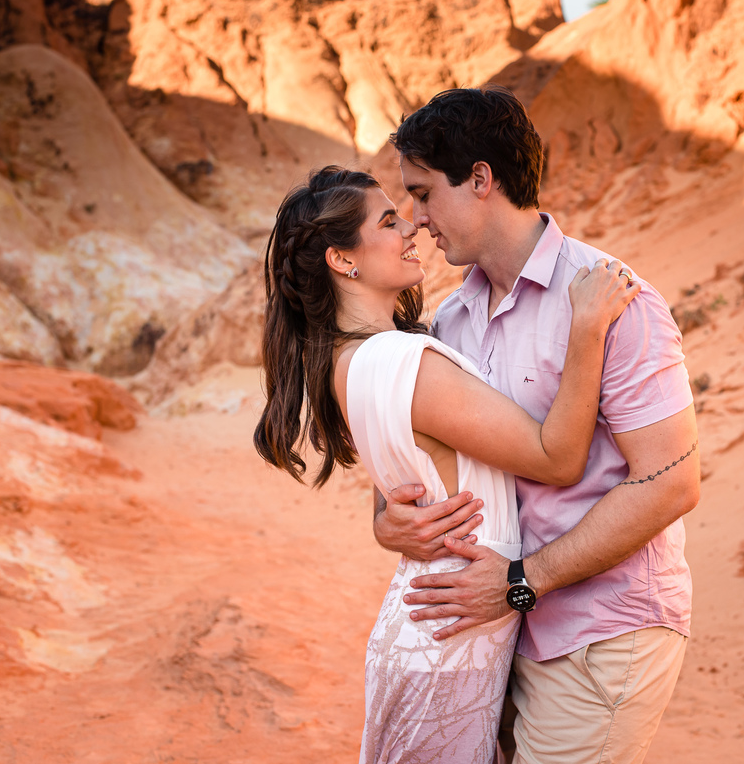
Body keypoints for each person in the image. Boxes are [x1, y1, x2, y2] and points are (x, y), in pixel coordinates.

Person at [253, 165, 640, 763]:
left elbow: (410, 474)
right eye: (387, 221)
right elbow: (557, 458)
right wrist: (587, 327)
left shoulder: (346, 361)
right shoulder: (408, 360)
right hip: (450, 637)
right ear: (341, 259)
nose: (409, 226)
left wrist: (386, 519)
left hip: (432, 623)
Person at [374, 85, 701, 763]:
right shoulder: (452, 323)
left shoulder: (615, 299)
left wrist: (523, 579)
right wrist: (387, 520)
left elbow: (671, 483)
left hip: (602, 632)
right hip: (499, 636)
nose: (417, 218)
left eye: (425, 192)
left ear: (481, 179)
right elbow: (430, 466)